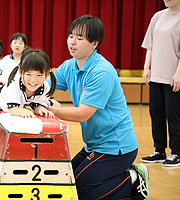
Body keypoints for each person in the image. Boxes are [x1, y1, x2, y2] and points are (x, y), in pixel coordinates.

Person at [47, 15, 149, 199]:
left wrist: (52, 110)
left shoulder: (101, 71)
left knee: (78, 191)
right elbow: (45, 86)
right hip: (94, 144)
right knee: (66, 181)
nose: (73, 42)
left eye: (80, 38)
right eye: (71, 36)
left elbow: (83, 114)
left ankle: (132, 178)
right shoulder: (69, 66)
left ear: (94, 43)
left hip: (116, 148)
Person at [141, 0, 180, 167]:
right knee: (156, 113)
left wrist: (179, 73)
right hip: (156, 75)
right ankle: (159, 150)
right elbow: (150, 45)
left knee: (174, 115)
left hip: (174, 76)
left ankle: (177, 151)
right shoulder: (157, 17)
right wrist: (146, 67)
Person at [0, 48, 56, 130]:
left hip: (24, 104)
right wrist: (22, 111)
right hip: (2, 99)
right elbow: (12, 110)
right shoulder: (14, 84)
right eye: (28, 74)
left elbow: (37, 105)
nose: (33, 80)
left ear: (46, 74)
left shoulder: (45, 86)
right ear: (20, 71)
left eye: (39, 75)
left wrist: (40, 109)